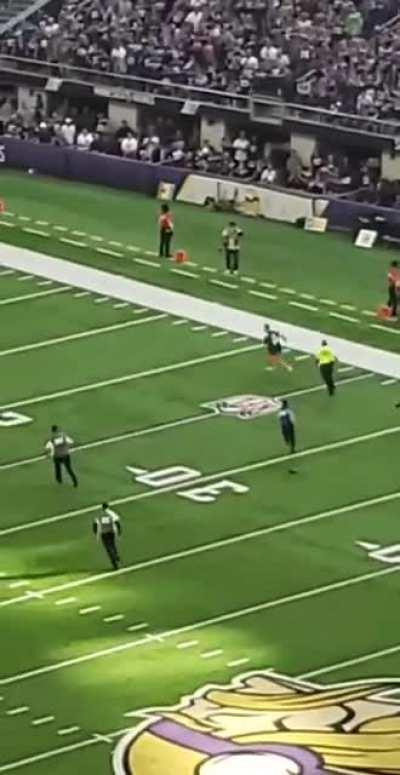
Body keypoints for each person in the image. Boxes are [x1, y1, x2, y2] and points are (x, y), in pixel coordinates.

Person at [93, 503, 121, 570]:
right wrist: (119, 532)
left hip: (104, 533)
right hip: (111, 532)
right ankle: (116, 556)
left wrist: (96, 534)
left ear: (102, 508)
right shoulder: (111, 513)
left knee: (108, 548)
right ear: (108, 507)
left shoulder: (99, 515)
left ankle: (115, 564)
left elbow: (95, 525)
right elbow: (117, 522)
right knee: (113, 545)